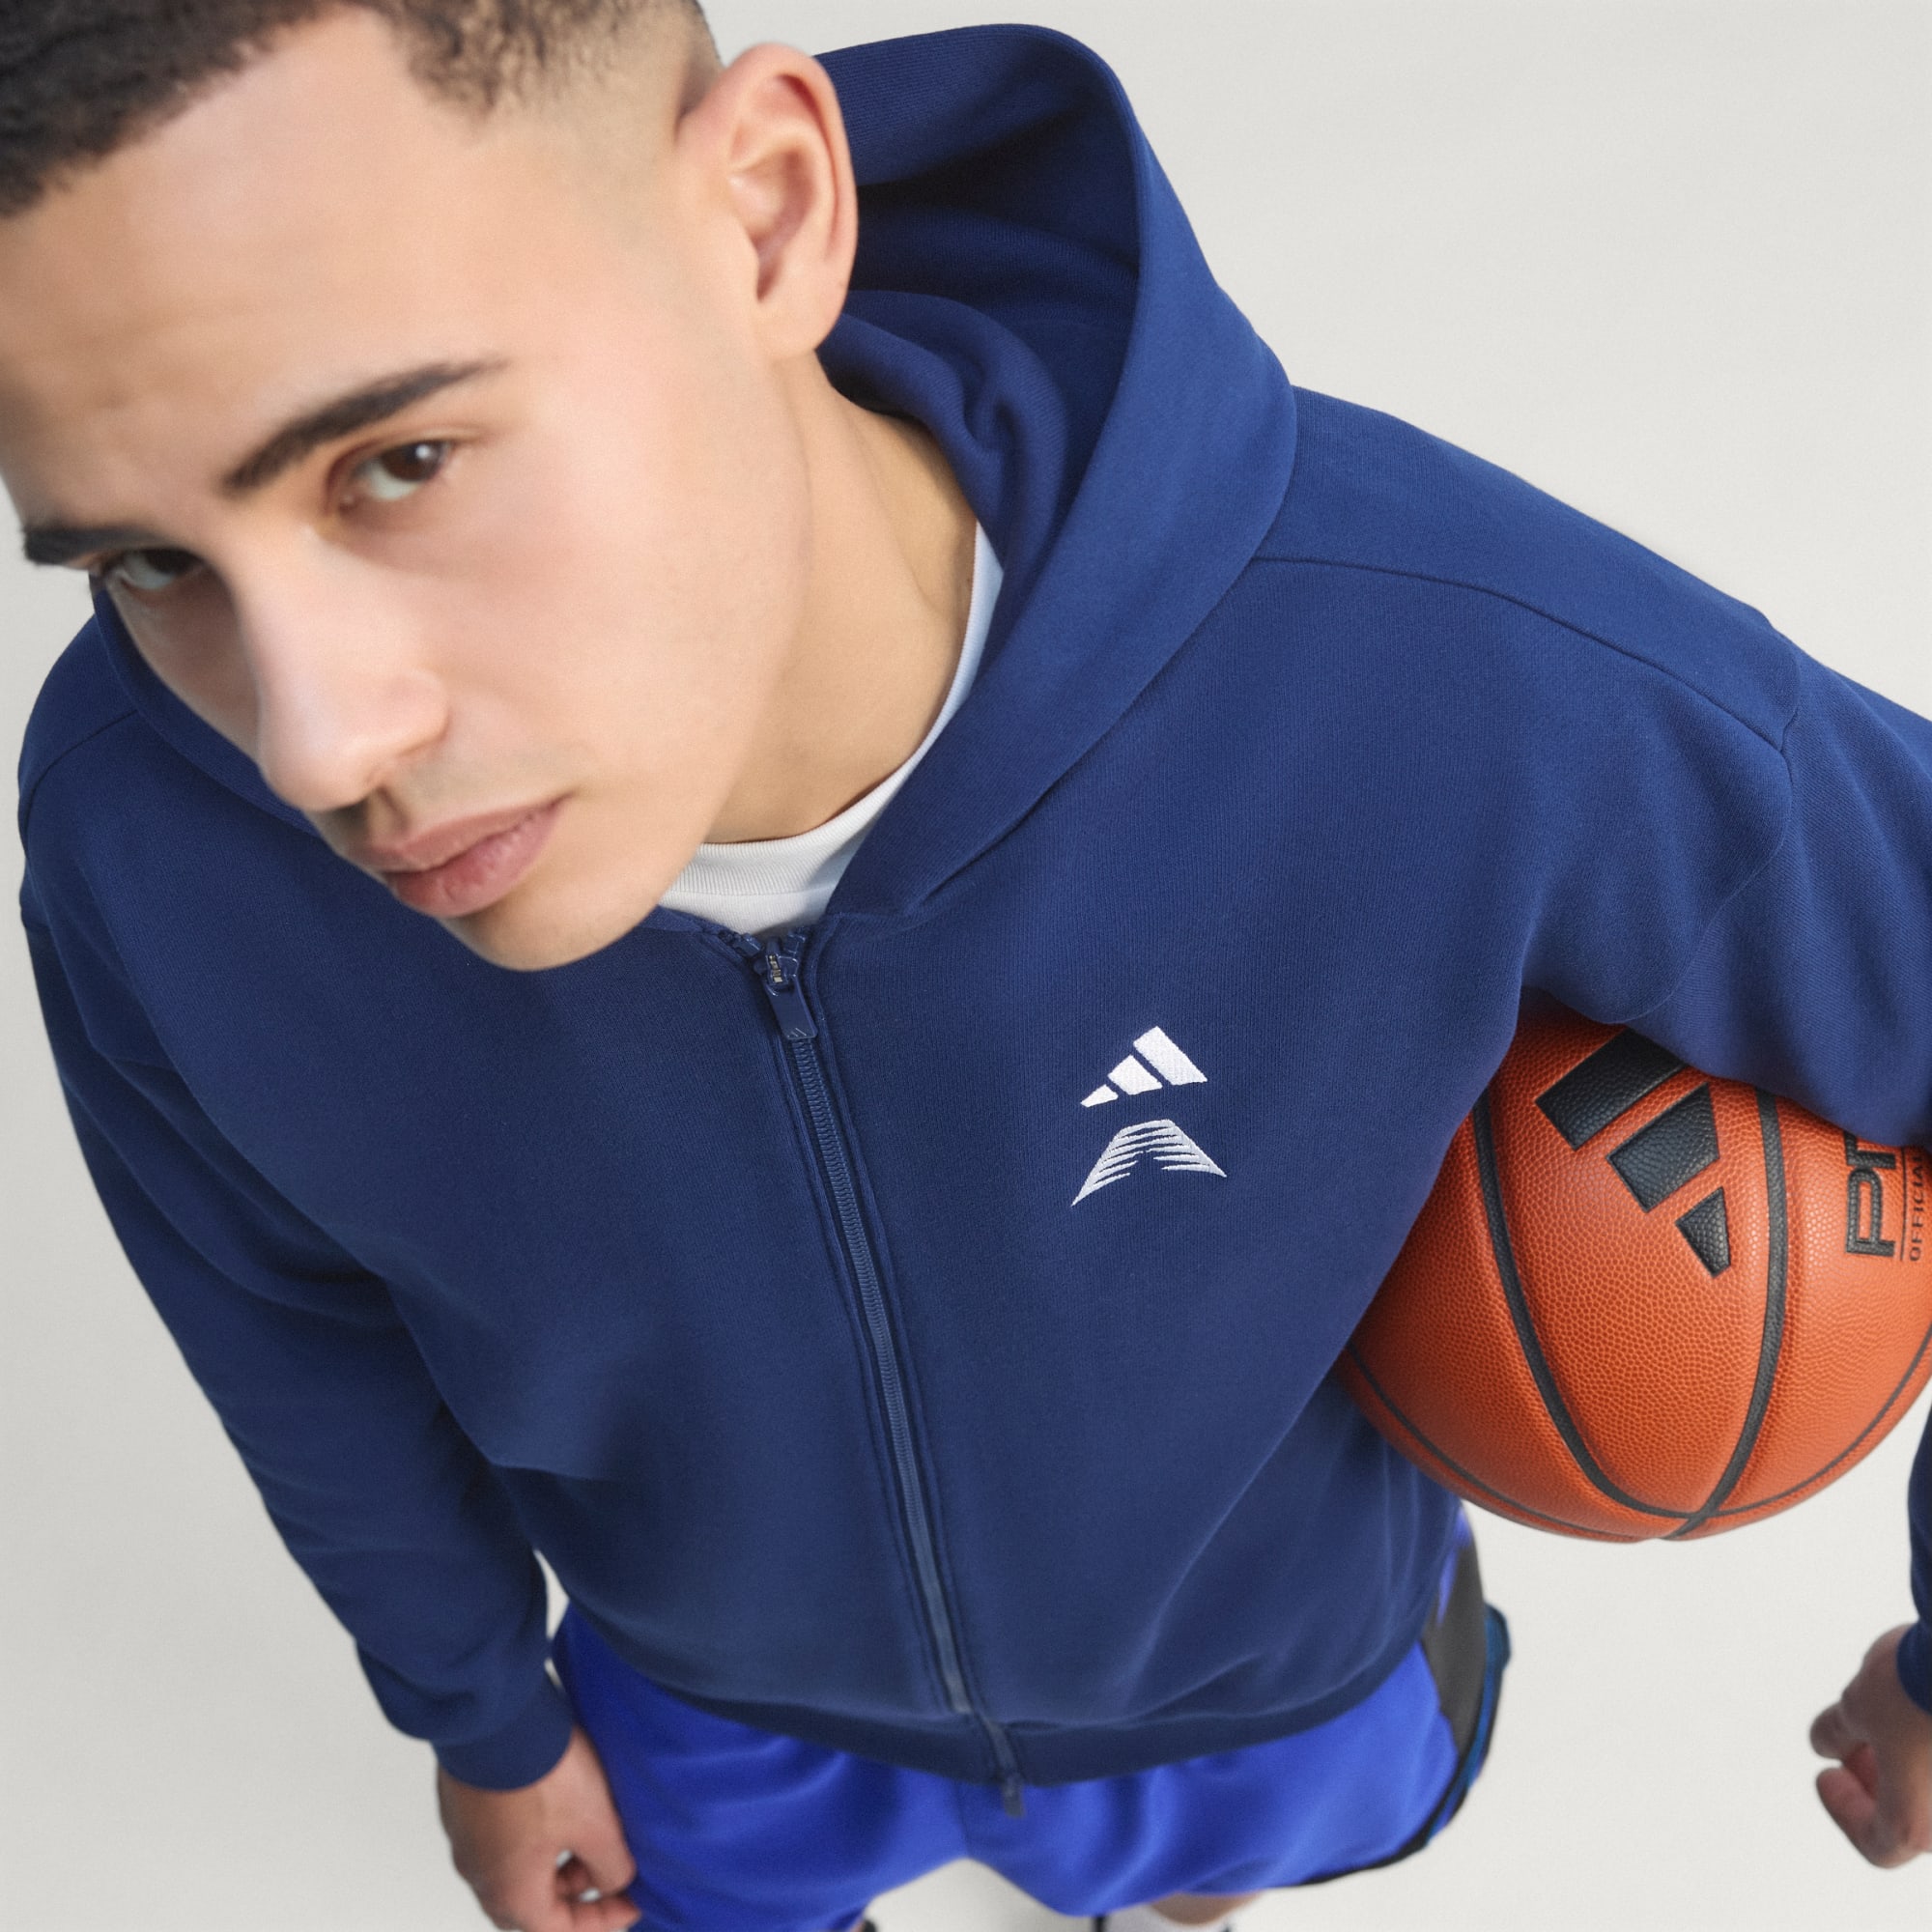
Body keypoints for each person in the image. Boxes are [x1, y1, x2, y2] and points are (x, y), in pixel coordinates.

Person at [3, 3, 1928, 1928]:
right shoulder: (151, 846)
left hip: (1269, 1686)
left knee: (1207, 1884)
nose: (314, 745)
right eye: (147, 564)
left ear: (765, 213)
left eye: (401, 461)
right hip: (712, 1715)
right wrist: (482, 1716)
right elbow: (287, 1329)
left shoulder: (1456, 666)